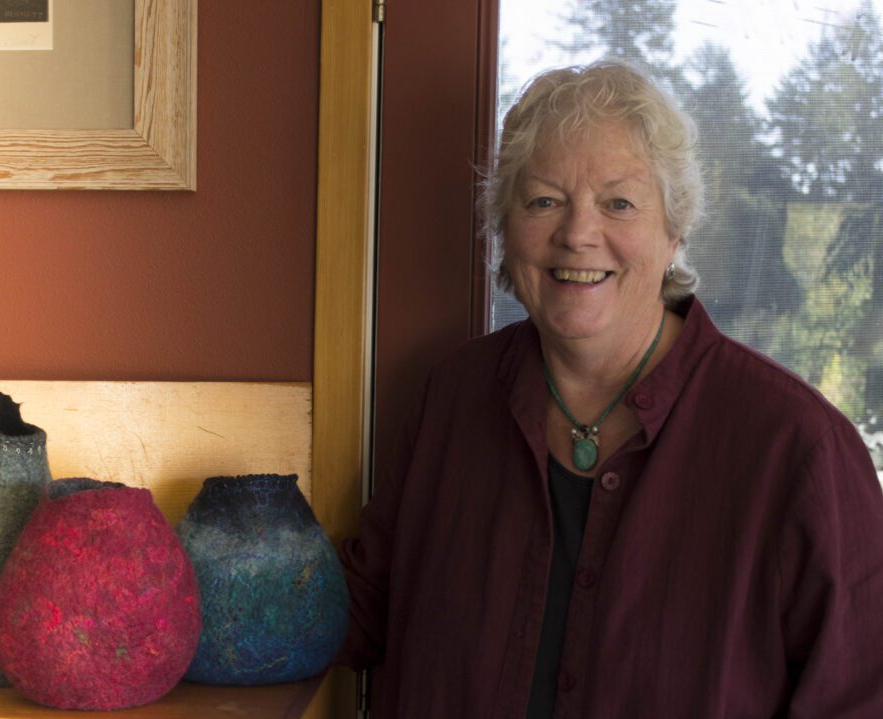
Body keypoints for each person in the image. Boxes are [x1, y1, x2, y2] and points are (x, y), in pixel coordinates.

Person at [334, 60, 883, 718]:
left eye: (618, 202)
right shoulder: (450, 399)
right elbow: (354, 615)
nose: (577, 233)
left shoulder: (800, 449)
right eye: (543, 200)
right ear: (505, 232)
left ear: (674, 230)